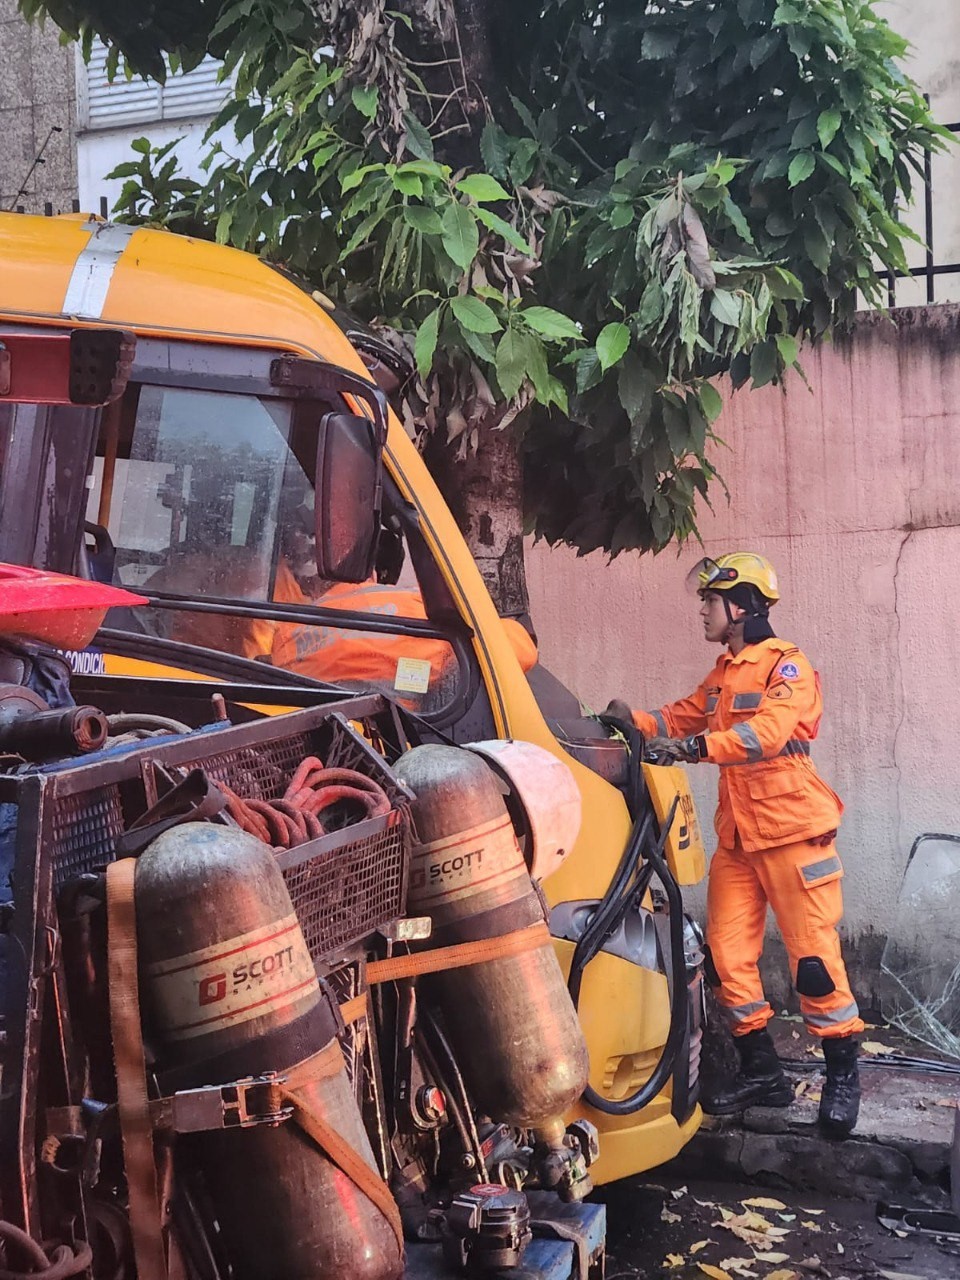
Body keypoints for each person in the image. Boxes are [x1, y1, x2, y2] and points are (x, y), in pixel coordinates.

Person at [609, 552, 862, 1136]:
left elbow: (767, 733)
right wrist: (634, 721)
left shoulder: (786, 666)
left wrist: (695, 751)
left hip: (793, 833)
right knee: (726, 958)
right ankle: (762, 1074)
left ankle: (844, 1076)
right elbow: (685, 714)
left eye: (710, 602)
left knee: (815, 963)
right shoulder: (725, 672)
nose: (703, 611)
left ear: (741, 605)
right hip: (741, 839)